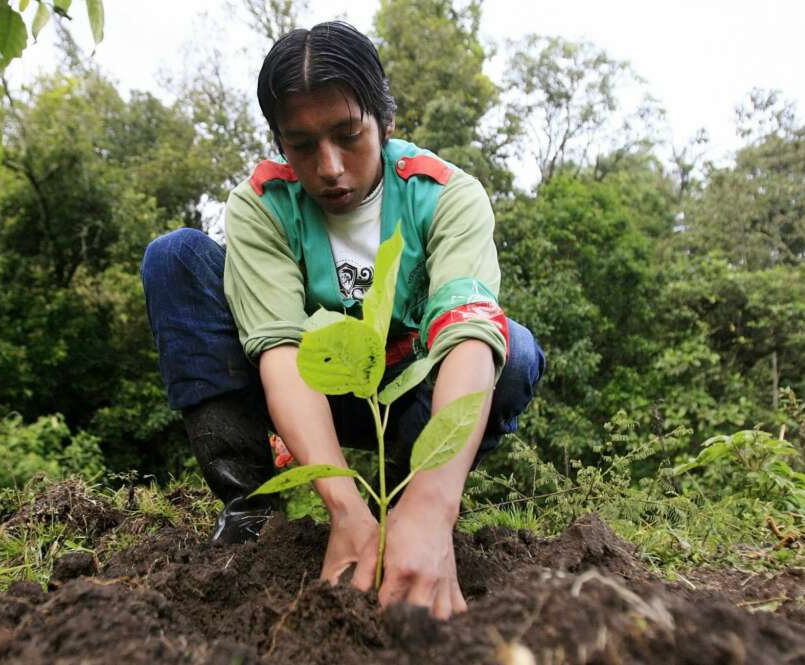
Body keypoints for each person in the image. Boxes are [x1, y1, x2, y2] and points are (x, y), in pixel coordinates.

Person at [141, 21, 544, 620]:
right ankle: (251, 513)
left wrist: (434, 507)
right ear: (279, 143)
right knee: (175, 257)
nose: (329, 166)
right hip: (310, 392)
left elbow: (466, 333)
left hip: (410, 396)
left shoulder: (446, 195)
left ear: (386, 122)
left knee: (509, 350)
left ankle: (411, 509)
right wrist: (342, 506)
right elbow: (279, 351)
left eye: (348, 135)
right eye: (301, 145)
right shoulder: (261, 206)